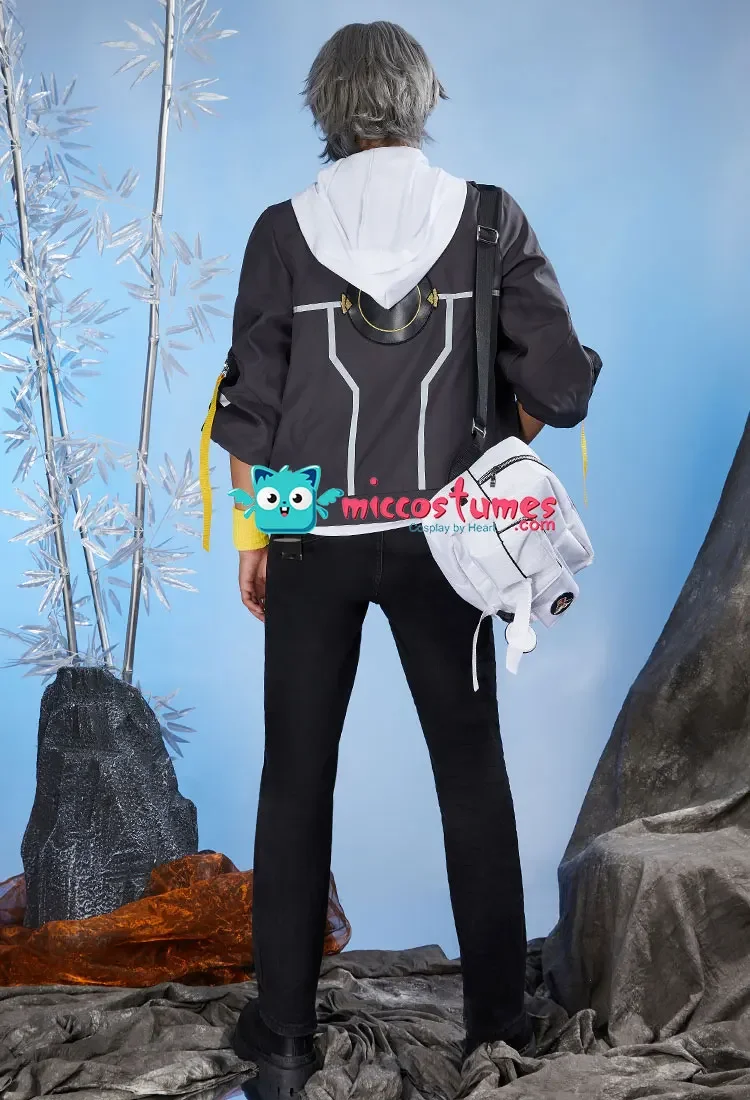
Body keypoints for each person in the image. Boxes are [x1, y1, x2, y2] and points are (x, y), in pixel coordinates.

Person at [200, 20, 600, 1097]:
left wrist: (260, 539)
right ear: (424, 100)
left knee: (295, 782)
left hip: (312, 542)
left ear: (324, 107)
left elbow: (250, 410)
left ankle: (285, 1040)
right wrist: (491, 449)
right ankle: (496, 1028)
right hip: (450, 548)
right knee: (472, 776)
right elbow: (561, 383)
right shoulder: (490, 218)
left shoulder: (281, 231)